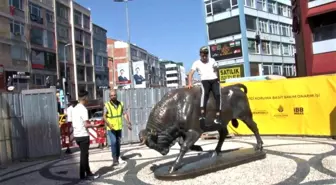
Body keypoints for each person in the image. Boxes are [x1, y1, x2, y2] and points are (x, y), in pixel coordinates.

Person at [187, 46, 222, 125]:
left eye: (206, 55)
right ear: (200, 55)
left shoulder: (212, 60)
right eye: (203, 55)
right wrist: (190, 83)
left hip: (214, 80)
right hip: (204, 81)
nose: (205, 57)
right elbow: (190, 73)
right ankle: (202, 115)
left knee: (218, 95)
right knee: (205, 94)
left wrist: (219, 80)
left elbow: (217, 69)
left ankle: (218, 116)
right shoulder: (196, 63)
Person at [72, 90, 100, 181]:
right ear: (85, 98)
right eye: (88, 97)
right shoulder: (83, 109)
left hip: (77, 135)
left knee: (84, 155)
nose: (88, 99)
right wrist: (95, 125)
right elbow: (86, 125)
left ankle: (86, 174)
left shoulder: (75, 108)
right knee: (84, 156)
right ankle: (85, 175)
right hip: (83, 135)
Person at [103, 89, 132, 166]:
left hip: (118, 126)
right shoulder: (107, 105)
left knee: (118, 142)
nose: (113, 96)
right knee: (113, 142)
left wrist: (128, 122)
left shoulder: (121, 104)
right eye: (111, 95)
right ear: (109, 97)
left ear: (116, 95)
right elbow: (104, 117)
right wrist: (108, 124)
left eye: (114, 95)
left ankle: (118, 157)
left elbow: (124, 114)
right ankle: (114, 158)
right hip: (111, 128)